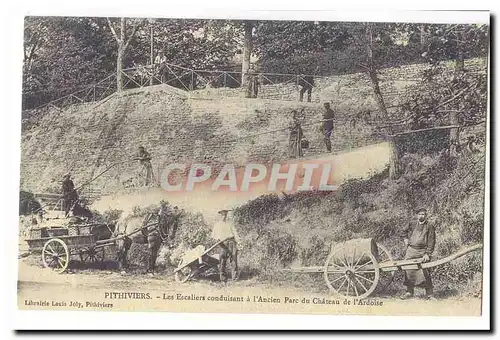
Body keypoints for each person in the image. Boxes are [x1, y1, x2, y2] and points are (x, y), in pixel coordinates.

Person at [401, 208, 436, 300]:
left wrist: (427, 254)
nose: (421, 216)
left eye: (423, 214)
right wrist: (405, 239)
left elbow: (431, 241)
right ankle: (409, 292)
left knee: (425, 272)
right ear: (417, 215)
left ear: (426, 215)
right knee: (407, 270)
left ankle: (429, 294)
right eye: (420, 214)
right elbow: (403, 231)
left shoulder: (429, 226)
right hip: (411, 251)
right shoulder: (412, 223)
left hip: (422, 252)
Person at [212, 209, 240, 282]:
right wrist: (218, 240)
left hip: (231, 242)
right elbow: (214, 236)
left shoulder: (230, 223)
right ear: (220, 216)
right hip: (222, 244)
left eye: (225, 215)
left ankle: (235, 278)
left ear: (226, 215)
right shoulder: (217, 225)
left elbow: (235, 233)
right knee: (222, 260)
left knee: (233, 260)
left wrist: (239, 242)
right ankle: (223, 279)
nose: (224, 216)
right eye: (222, 215)